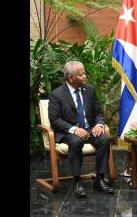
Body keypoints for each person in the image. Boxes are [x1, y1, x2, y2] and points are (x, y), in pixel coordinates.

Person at [48, 61, 114, 197]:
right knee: (76, 141)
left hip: (89, 129)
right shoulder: (57, 94)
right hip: (68, 132)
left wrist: (99, 124)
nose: (85, 76)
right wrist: (73, 129)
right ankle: (76, 182)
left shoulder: (89, 90)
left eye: (84, 73)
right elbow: (55, 119)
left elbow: (98, 112)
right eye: (81, 74)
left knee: (104, 139)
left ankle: (99, 179)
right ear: (71, 78)